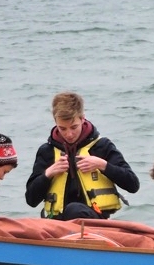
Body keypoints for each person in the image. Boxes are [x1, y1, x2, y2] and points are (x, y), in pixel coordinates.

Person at [25, 91, 139, 220]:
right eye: (63, 128)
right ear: (55, 121)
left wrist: (102, 165)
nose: (69, 134)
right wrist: (48, 173)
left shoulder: (102, 146)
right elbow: (31, 200)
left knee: (74, 210)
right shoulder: (46, 152)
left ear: (83, 118)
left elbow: (133, 185)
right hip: (57, 221)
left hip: (94, 219)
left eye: (74, 127)